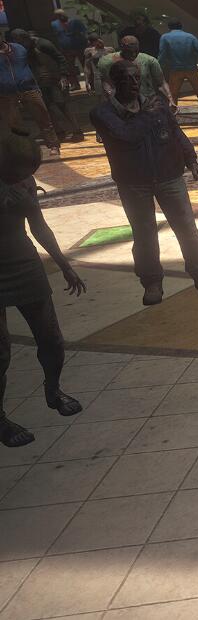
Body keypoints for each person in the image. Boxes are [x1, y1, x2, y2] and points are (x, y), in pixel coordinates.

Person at [91, 58, 198, 305]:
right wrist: (146, 116)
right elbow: (127, 135)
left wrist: (192, 160)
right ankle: (151, 282)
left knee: (187, 228)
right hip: (133, 183)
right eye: (126, 78)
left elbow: (175, 132)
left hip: (170, 176)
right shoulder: (102, 113)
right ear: (114, 82)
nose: (133, 83)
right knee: (144, 234)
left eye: (137, 78)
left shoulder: (156, 104)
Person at [0, 128, 85, 448]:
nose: (23, 178)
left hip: (25, 265)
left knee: (51, 339)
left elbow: (39, 226)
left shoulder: (23, 181)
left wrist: (64, 265)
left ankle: (53, 389)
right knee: (0, 354)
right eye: (17, 173)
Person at [11, 30, 81, 144]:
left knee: (62, 105)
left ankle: (77, 130)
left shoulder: (43, 44)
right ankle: (59, 132)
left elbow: (60, 58)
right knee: (47, 108)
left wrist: (63, 76)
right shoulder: (23, 49)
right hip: (39, 82)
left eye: (18, 40)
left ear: (23, 37)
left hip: (54, 80)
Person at [1, 36, 61, 151]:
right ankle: (23, 149)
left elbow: (34, 63)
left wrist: (36, 82)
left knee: (43, 117)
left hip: (29, 88)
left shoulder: (19, 48)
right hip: (6, 94)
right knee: (14, 123)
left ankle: (53, 145)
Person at [157, 20, 198, 121]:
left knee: (173, 94)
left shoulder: (165, 37)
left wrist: (158, 68)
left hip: (175, 69)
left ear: (169, 27)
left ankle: (172, 116)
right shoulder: (190, 37)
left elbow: (162, 54)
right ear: (181, 26)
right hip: (191, 68)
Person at [97, 35, 170, 106]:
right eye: (129, 51)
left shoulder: (149, 61)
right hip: (121, 103)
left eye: (136, 51)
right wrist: (110, 96)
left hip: (147, 102)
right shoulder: (106, 62)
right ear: (121, 48)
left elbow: (161, 83)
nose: (133, 54)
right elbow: (105, 82)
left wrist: (170, 99)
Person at [49, 9, 88, 89]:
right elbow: (54, 36)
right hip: (66, 49)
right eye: (58, 15)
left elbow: (84, 32)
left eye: (61, 14)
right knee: (70, 68)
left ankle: (90, 82)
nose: (60, 16)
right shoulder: (54, 24)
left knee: (85, 65)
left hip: (79, 48)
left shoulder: (75, 22)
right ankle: (75, 84)